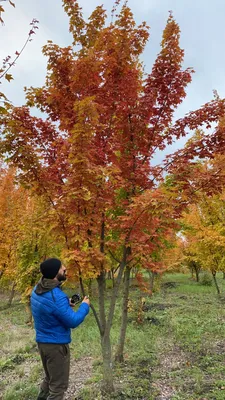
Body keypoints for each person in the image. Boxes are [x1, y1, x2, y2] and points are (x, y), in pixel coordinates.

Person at [31, 258, 90, 400]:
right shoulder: (56, 297)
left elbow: (49, 308)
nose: (64, 268)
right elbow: (73, 321)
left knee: (49, 378)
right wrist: (84, 306)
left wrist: (65, 304)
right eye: (61, 267)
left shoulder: (37, 289)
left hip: (42, 343)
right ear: (54, 273)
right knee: (58, 387)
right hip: (56, 347)